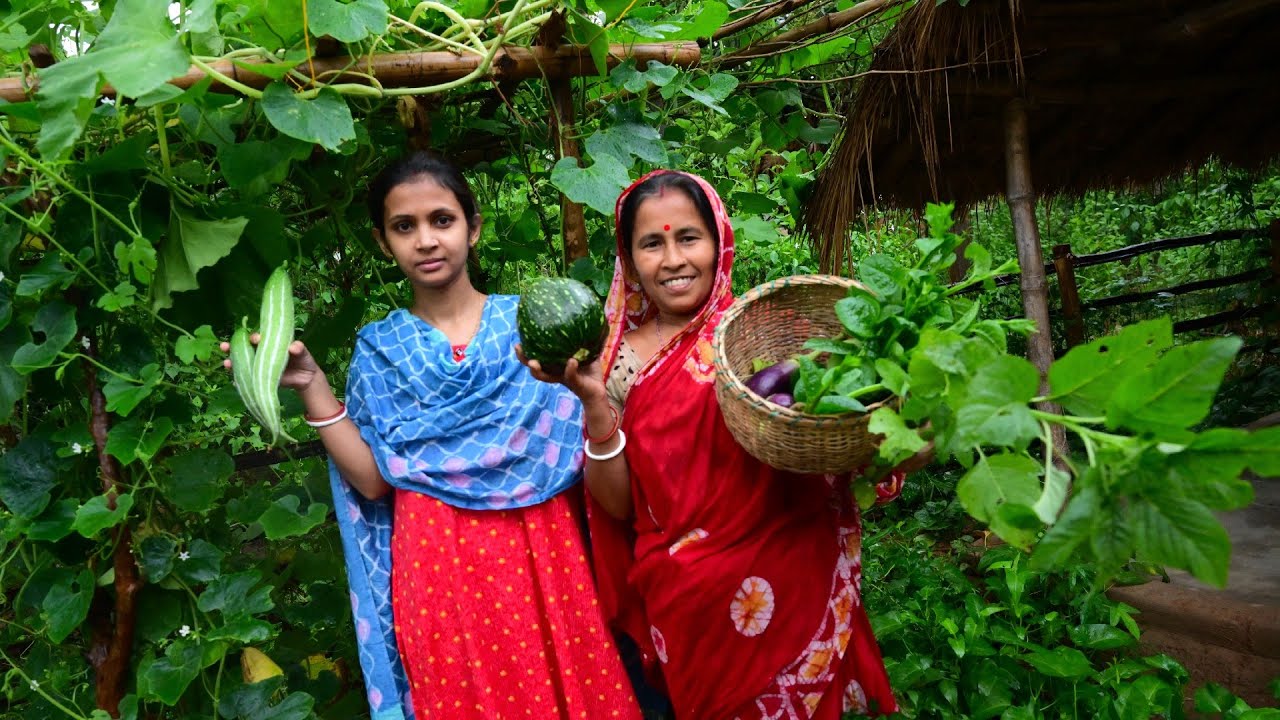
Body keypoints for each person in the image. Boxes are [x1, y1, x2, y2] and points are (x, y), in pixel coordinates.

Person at [225, 151, 641, 720]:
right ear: (382, 241)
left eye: (441, 220)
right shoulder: (381, 349)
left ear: (474, 227)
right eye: (405, 226)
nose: (425, 240)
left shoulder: (533, 327)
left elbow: (583, 468)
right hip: (438, 567)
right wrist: (312, 385)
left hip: (543, 554)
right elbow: (373, 483)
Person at [522, 169, 900, 719]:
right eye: (652, 243)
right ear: (629, 262)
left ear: (718, 241)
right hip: (690, 600)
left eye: (688, 238)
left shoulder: (762, 335)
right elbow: (619, 505)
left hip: (793, 569)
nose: (673, 259)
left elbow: (833, 439)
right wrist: (592, 401)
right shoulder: (615, 362)